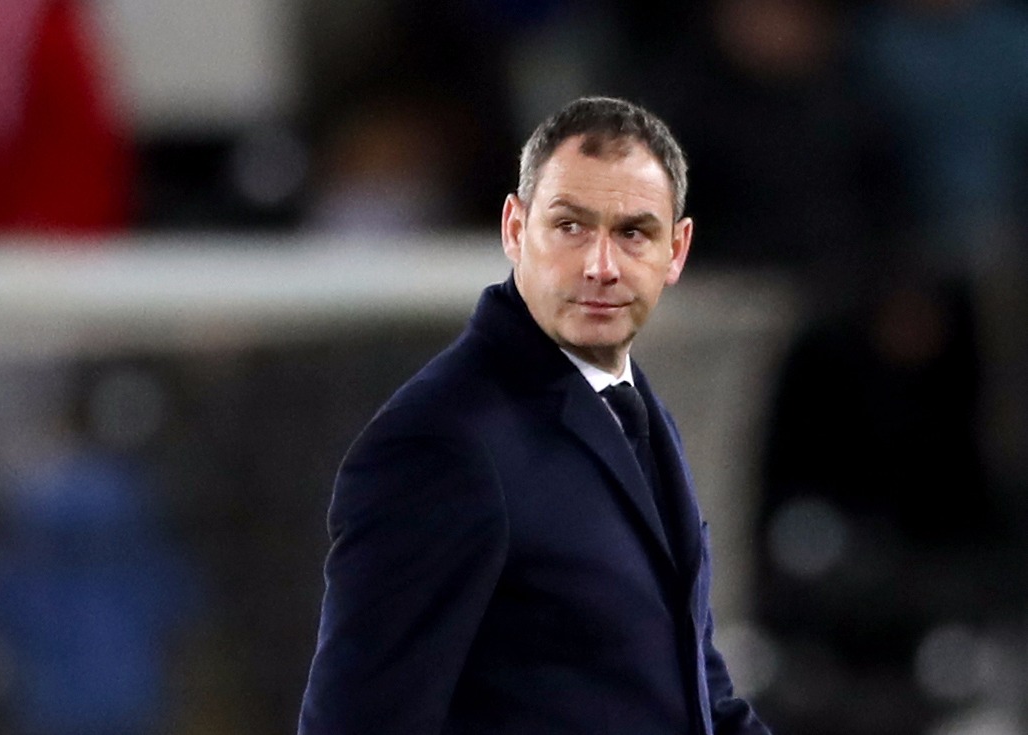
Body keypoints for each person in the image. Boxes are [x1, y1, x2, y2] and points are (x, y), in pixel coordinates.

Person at [298, 96, 769, 734]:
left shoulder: (638, 413)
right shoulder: (440, 440)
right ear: (515, 230)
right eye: (571, 226)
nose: (601, 267)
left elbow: (693, 694)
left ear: (677, 250)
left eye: (633, 233)